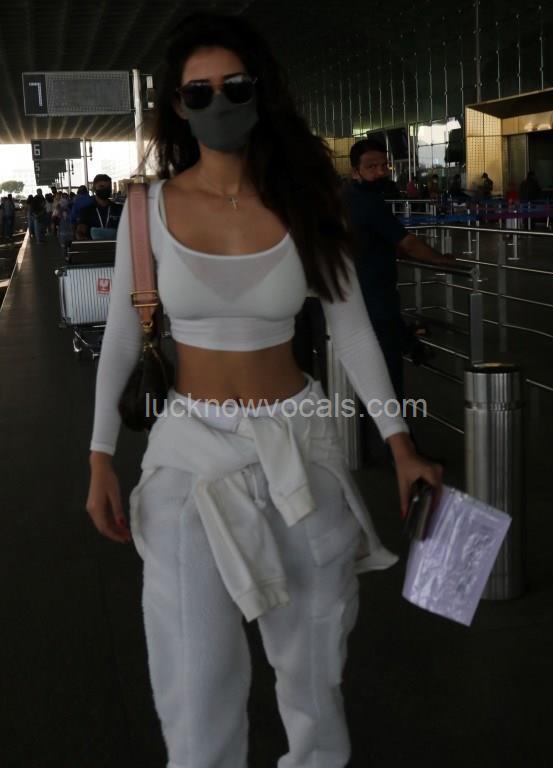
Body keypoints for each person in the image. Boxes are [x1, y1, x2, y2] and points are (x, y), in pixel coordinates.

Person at [85, 13, 442, 768]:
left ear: (261, 92)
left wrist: (400, 445)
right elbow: (120, 338)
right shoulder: (147, 210)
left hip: (299, 446)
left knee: (315, 660)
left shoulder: (310, 203)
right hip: (188, 453)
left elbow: (351, 331)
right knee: (193, 673)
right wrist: (99, 457)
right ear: (178, 106)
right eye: (199, 92)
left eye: (235, 86)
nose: (218, 103)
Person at [345, 137, 456, 402]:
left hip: (354, 296)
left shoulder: (347, 196)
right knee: (388, 377)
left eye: (384, 166)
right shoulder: (370, 203)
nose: (380, 172)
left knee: (369, 373)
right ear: (355, 171)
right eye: (371, 167)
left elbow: (372, 238)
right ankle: (392, 425)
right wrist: (441, 260)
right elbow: (408, 243)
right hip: (375, 298)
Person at [75, 175, 123, 240]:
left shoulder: (119, 209)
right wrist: (83, 238)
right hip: (94, 246)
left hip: (117, 246)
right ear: (94, 188)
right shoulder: (86, 211)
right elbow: (80, 231)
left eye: (108, 187)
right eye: (101, 186)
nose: (105, 189)